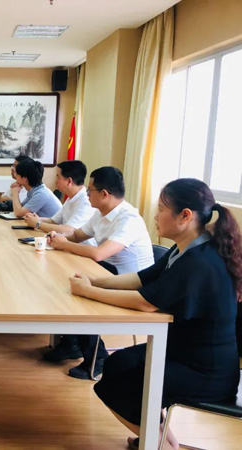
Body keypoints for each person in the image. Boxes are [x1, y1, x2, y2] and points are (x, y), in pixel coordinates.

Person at [69, 178, 242, 450]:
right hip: (182, 353)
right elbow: (142, 278)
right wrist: (94, 281)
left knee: (119, 384)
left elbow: (145, 302)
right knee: (118, 365)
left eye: (161, 209)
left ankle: (159, 444)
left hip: (206, 373)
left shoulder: (201, 261)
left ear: (185, 216)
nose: (155, 215)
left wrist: (89, 292)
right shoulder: (186, 248)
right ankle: (159, 440)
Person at [47, 166, 154, 379]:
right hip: (107, 273)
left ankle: (98, 358)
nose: (87, 194)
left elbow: (99, 254)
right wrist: (58, 237)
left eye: (90, 190)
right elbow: (77, 235)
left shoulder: (128, 218)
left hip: (131, 284)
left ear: (104, 194)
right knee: (64, 279)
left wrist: (65, 245)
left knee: (78, 295)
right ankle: (71, 344)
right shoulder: (100, 213)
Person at [23, 160, 95, 238]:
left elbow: (69, 230)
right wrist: (35, 219)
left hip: (78, 245)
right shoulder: (71, 197)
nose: (56, 182)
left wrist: (38, 224)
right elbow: (53, 221)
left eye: (58, 177)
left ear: (69, 181)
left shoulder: (86, 201)